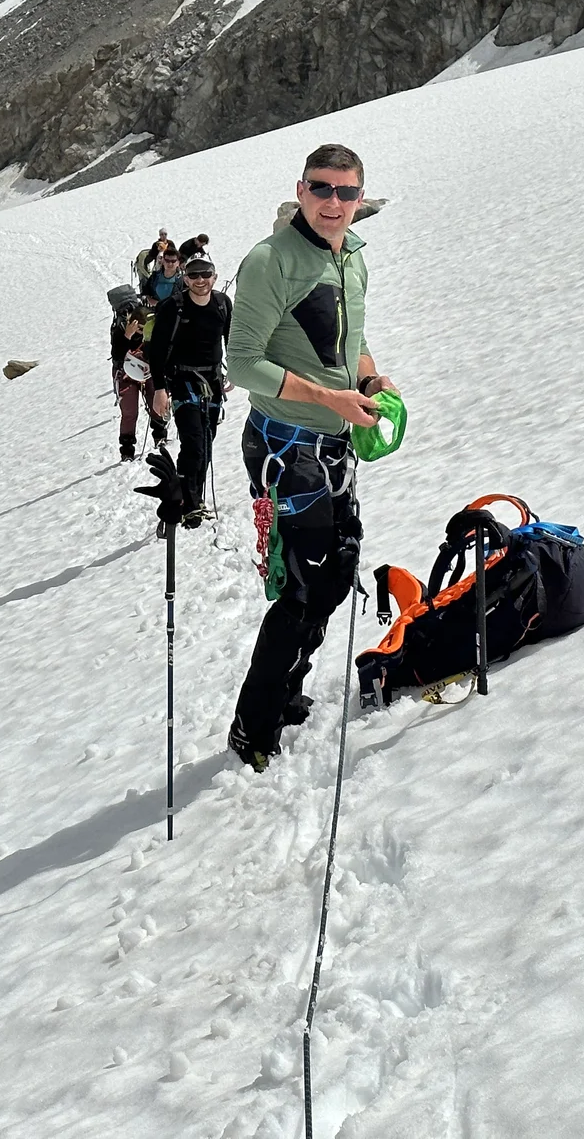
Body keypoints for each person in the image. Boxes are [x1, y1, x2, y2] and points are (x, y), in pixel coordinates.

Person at [222, 142, 399, 772]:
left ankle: (288, 686)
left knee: (333, 571)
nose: (333, 203)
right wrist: (330, 397)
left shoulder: (351, 257)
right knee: (299, 589)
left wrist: (372, 383)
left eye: (346, 192)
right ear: (300, 190)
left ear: (359, 198)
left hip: (331, 443)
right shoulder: (272, 261)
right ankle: (254, 725)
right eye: (321, 189)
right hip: (284, 446)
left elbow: (353, 342)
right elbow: (241, 361)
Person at [146, 254, 231, 527]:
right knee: (194, 442)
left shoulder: (222, 304)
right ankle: (189, 503)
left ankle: (193, 496)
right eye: (194, 276)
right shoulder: (174, 307)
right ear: (185, 278)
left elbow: (233, 339)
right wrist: (159, 389)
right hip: (182, 380)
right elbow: (157, 351)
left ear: (214, 277)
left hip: (213, 382)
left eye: (205, 275)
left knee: (205, 442)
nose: (200, 280)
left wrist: (238, 372)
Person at [110, 302, 151, 462]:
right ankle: (127, 450)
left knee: (155, 402)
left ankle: (159, 436)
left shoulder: (151, 332)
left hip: (147, 372)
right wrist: (127, 336)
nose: (141, 333)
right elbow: (117, 354)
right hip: (125, 374)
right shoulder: (120, 330)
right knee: (129, 412)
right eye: (140, 329)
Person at [140, 242, 183, 307]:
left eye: (173, 261)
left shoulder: (182, 281)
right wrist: (149, 299)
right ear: (163, 261)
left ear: (178, 263)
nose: (170, 264)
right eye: (167, 260)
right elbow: (145, 292)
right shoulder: (154, 277)